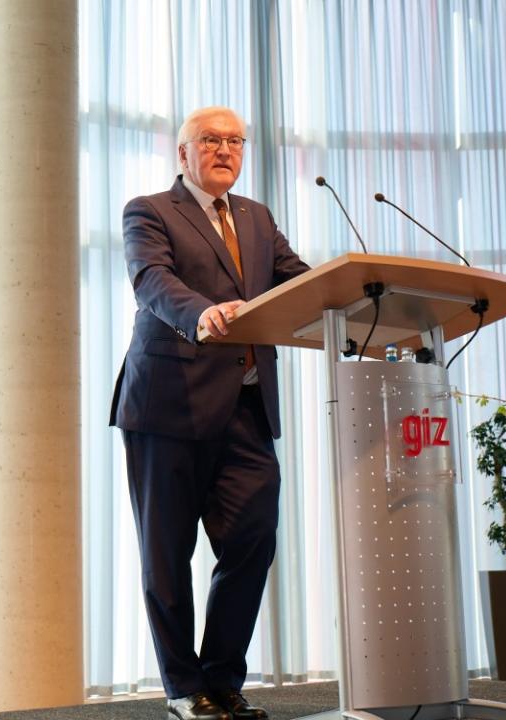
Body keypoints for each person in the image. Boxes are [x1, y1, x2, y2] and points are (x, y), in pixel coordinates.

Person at [109, 106, 310, 720]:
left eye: (234, 141)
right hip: (167, 402)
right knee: (167, 554)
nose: (225, 150)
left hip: (245, 406)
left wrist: (359, 297)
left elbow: (294, 281)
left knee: (253, 540)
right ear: (183, 153)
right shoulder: (149, 210)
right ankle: (183, 689)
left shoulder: (256, 217)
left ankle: (221, 678)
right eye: (210, 140)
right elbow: (152, 279)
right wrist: (200, 313)